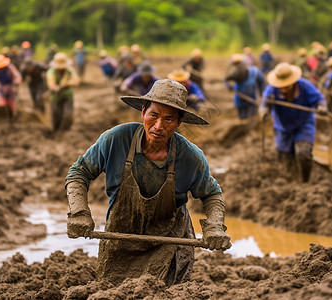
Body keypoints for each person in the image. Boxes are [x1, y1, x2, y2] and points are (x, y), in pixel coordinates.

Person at [65, 79, 231, 286]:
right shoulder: (116, 140)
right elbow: (79, 172)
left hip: (169, 243)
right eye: (154, 115)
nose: (159, 126)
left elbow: (211, 194)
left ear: (179, 122)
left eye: (169, 119)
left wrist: (214, 227)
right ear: (143, 112)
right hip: (121, 241)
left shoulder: (190, 157)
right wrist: (79, 213)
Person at [259, 63, 327, 182]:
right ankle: (292, 181)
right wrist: (264, 110)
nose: (283, 89)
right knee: (286, 156)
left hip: (304, 123)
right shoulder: (272, 89)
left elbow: (319, 98)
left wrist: (321, 106)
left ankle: (305, 180)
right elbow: (264, 104)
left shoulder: (305, 86)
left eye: (287, 86)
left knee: (304, 153)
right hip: (283, 126)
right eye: (282, 86)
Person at [46, 52, 80, 133]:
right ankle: (56, 131)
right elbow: (51, 83)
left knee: (68, 115)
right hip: (55, 97)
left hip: (67, 96)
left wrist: (67, 84)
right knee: (56, 116)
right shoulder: (51, 72)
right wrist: (56, 87)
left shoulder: (69, 71)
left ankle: (65, 131)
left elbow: (76, 80)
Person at [225, 54, 265, 119]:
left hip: (251, 98)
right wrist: (228, 85)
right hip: (240, 97)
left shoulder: (254, 71)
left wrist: (262, 92)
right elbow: (226, 79)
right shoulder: (235, 72)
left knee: (252, 116)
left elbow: (261, 81)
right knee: (242, 115)